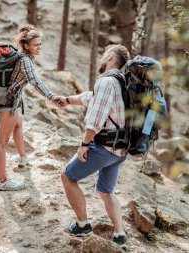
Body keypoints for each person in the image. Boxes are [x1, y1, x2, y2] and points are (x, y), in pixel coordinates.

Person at [59, 44, 131, 247]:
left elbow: (96, 119)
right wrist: (66, 100)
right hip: (121, 150)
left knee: (68, 176)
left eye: (103, 54)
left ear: (109, 56)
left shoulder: (107, 82)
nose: (101, 58)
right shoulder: (122, 82)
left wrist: (84, 144)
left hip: (105, 147)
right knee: (105, 190)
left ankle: (82, 225)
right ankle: (119, 235)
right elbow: (89, 98)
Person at [0, 24, 62, 191]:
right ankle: (2, 182)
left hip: (13, 100)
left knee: (18, 125)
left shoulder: (25, 57)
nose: (39, 47)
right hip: (8, 102)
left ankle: (23, 158)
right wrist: (51, 96)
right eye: (36, 44)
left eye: (40, 44)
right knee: (1, 142)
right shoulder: (25, 60)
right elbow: (35, 82)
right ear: (26, 46)